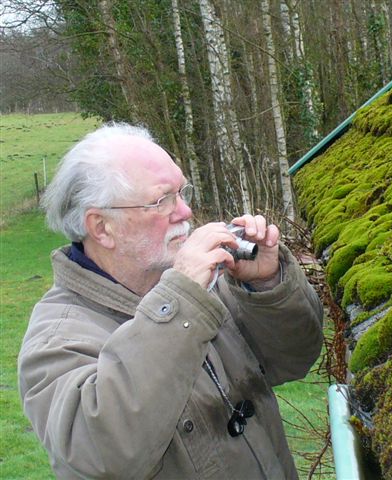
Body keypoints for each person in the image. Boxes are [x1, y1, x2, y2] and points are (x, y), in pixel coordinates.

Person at [17, 123, 324, 479]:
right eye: (162, 200)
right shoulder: (56, 339)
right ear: (101, 227)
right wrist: (181, 301)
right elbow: (106, 455)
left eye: (182, 193)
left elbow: (295, 358)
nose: (185, 212)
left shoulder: (205, 286)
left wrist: (267, 286)